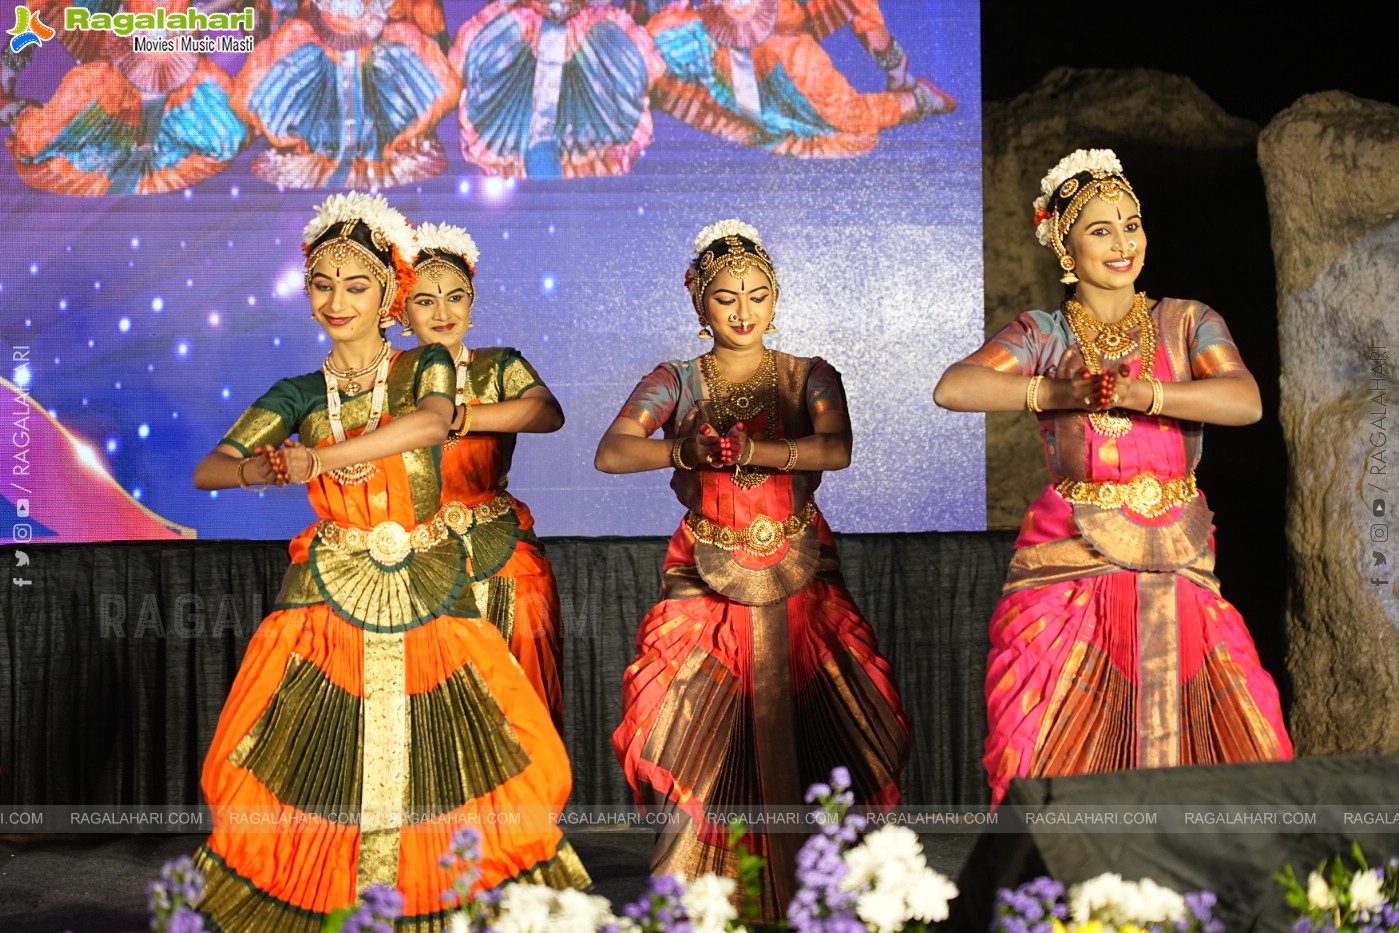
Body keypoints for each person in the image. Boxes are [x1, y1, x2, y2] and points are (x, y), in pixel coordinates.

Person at [192, 192, 587, 930]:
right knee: (271, 751)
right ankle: (333, 894)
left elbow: (434, 423)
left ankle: (443, 893)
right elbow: (209, 469)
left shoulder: (426, 367)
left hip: (432, 581)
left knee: (504, 746)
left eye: (356, 284)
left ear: (386, 298)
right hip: (326, 590)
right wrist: (261, 469)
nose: (336, 300)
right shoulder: (297, 391)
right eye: (322, 283)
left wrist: (319, 457)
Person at [933, 149, 1293, 806]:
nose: (1123, 241)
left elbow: (1243, 400)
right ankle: (1061, 887)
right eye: (1101, 228)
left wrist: (1145, 396)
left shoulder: (1187, 322)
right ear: (1066, 246)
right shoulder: (1043, 333)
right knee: (1036, 728)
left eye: (1131, 223)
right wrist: (1058, 392)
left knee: (1241, 722)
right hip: (1069, 553)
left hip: (1176, 552)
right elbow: (954, 387)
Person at [597, 219, 909, 922]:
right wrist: (686, 452)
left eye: (757, 295)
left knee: (830, 714)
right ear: (698, 305)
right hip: (704, 573)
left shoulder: (808, 374)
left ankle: (824, 889)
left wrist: (755, 451)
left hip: (799, 568)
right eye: (725, 298)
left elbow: (834, 448)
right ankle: (708, 889)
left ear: (776, 299)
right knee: (680, 718)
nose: (743, 311)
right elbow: (613, 451)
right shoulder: (674, 380)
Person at [403, 221, 567, 734]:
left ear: (471, 306)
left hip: (501, 549)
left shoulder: (498, 366)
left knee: (518, 688)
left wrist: (462, 417)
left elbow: (546, 413)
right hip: (412, 552)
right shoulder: (386, 378)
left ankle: (524, 809)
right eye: (425, 301)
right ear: (402, 312)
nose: (443, 312)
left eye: (455, 297)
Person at [643, 0, 954, 159]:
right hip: (714, 36)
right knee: (651, 53)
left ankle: (915, 99)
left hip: (781, 46)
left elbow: (862, 11)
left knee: (847, 129)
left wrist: (896, 69)